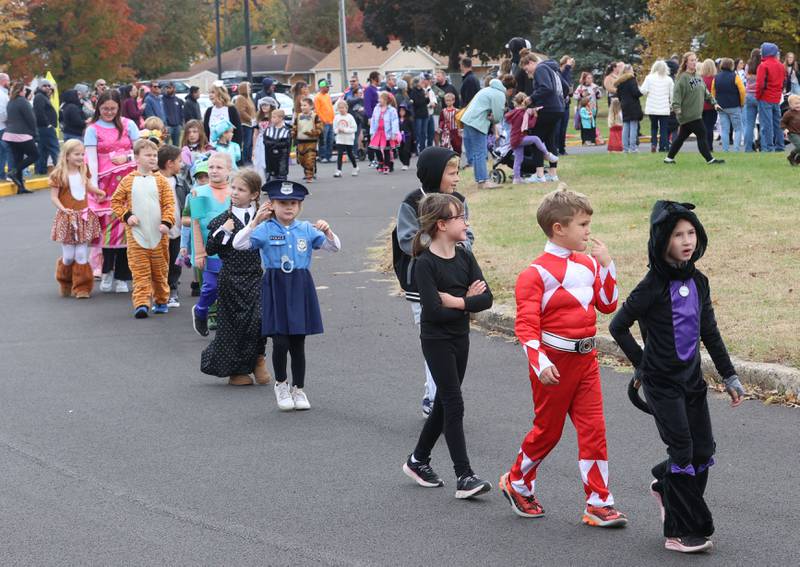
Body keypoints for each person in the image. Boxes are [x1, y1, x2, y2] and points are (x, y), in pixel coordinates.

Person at [609, 200, 745, 554]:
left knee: (703, 450)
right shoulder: (651, 285)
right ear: (661, 241)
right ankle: (678, 531)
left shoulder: (699, 282)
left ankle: (666, 486)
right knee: (683, 450)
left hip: (692, 381)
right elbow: (618, 325)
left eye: (691, 233)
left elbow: (710, 333)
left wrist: (729, 376)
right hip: (661, 384)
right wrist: (642, 364)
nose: (686, 240)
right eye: (677, 235)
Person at [498, 186, 627, 529]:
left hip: (587, 362)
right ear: (559, 228)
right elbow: (526, 328)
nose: (589, 231)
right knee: (548, 432)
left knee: (594, 431)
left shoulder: (588, 263)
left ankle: (599, 502)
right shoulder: (534, 273)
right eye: (582, 224)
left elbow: (608, 304)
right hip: (553, 364)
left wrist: (607, 266)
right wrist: (540, 363)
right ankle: (518, 481)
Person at [400, 192, 493, 499]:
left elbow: (486, 298)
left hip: (459, 336)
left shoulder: (465, 255)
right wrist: (467, 301)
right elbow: (433, 312)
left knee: (443, 402)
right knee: (453, 402)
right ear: (441, 224)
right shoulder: (425, 265)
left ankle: (418, 460)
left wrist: (458, 300)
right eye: (459, 217)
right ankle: (464, 475)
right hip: (436, 339)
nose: (465, 222)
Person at [232, 179, 341, 412]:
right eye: (282, 203)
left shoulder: (306, 229)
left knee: (298, 342)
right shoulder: (265, 229)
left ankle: (298, 388)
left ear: (300, 206)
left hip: (300, 285)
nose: (288, 207)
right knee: (280, 340)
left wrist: (328, 230)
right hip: (275, 285)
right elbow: (238, 244)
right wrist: (254, 222)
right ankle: (281, 384)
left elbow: (334, 247)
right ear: (271, 204)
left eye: (293, 202)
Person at [393, 147, 475, 417]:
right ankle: (434, 397)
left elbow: (467, 236)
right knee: (434, 340)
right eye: (451, 173)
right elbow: (407, 241)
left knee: (453, 340)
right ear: (434, 174)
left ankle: (444, 394)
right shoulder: (412, 201)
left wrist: (460, 246)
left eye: (457, 172)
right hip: (422, 284)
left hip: (454, 281)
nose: (457, 178)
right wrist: (440, 243)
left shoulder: (459, 201)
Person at [200, 169, 271, 387]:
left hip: (255, 276)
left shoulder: (265, 217)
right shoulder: (223, 220)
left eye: (241, 189)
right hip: (230, 278)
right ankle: (237, 370)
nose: (235, 193)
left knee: (259, 320)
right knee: (233, 325)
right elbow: (211, 248)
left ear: (254, 194)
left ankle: (259, 359)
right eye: (234, 188)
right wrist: (225, 230)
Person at [110, 139, 176, 318]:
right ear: (137, 158)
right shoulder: (128, 181)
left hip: (158, 234)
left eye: (155, 155)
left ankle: (162, 299)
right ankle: (141, 303)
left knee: (159, 270)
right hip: (136, 235)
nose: (153, 158)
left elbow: (170, 204)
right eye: (148, 155)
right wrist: (127, 216)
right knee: (140, 272)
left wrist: (167, 222)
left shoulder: (162, 181)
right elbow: (115, 201)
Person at [85, 89, 140, 291]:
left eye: (112, 108)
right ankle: (107, 272)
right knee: (108, 232)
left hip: (129, 184)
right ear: (98, 107)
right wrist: (94, 185)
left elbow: (142, 151)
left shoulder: (129, 125)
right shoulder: (92, 129)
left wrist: (127, 158)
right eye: (104, 108)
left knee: (126, 229)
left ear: (119, 108)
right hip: (105, 187)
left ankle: (123, 276)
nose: (108, 112)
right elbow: (91, 160)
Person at [50, 139, 104, 299]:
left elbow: (86, 185)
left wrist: (98, 191)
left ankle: (82, 287)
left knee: (81, 254)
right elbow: (54, 197)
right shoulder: (58, 174)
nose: (81, 157)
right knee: (68, 256)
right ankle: (65, 281)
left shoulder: (83, 170)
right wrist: (62, 208)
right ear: (66, 156)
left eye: (82, 154)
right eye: (77, 154)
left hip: (83, 217)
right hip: (67, 218)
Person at [189, 152, 233, 336]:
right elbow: (196, 224)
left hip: (232, 250)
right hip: (209, 250)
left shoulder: (235, 192)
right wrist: (199, 253)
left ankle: (227, 325)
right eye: (211, 167)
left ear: (229, 171)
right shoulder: (198, 193)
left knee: (230, 289)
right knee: (211, 287)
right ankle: (200, 310)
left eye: (219, 167)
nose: (214, 171)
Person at [664, 52, 725, 165]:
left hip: (696, 113)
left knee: (681, 137)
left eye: (695, 60)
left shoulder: (698, 76)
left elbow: (706, 92)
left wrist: (714, 103)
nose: (694, 62)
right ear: (686, 63)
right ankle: (710, 159)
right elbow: (676, 94)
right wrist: (677, 108)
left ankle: (669, 158)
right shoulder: (682, 77)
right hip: (688, 114)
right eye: (691, 60)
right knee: (702, 133)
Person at [157, 144, 190, 307]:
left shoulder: (181, 182)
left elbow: (186, 203)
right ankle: (159, 291)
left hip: (177, 229)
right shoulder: (153, 181)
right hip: (159, 230)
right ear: (170, 163)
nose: (182, 164)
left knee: (175, 261)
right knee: (159, 262)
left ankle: (172, 289)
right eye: (179, 161)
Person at [529, 54, 570, 181]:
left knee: (536, 138)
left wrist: (531, 98)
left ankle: (539, 174)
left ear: (531, 62)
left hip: (546, 108)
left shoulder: (540, 69)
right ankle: (553, 174)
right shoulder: (553, 70)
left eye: (526, 69)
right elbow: (566, 87)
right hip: (558, 108)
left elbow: (546, 88)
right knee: (550, 140)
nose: (527, 73)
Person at [460, 79, 506, 189]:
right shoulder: (499, 94)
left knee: (476, 153)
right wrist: (493, 119)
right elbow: (498, 115)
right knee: (481, 152)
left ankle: (480, 180)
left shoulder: (485, 90)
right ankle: (483, 181)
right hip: (477, 123)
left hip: (467, 120)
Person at [504, 92, 558, 184]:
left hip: (514, 139)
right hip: (520, 138)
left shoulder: (515, 113)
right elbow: (530, 125)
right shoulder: (522, 114)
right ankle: (547, 154)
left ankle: (516, 179)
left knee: (518, 159)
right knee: (536, 139)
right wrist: (535, 116)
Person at [3, 80, 39, 193]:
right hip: (22, 134)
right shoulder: (23, 101)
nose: (25, 92)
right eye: (24, 90)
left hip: (9, 135)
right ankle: (13, 172)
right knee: (35, 155)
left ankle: (20, 187)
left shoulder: (11, 101)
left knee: (18, 159)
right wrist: (35, 134)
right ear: (21, 91)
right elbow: (31, 119)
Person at [756, 42, 786, 152]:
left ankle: (768, 147)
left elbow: (760, 84)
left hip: (765, 98)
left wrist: (758, 96)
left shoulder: (763, 66)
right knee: (778, 123)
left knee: (766, 124)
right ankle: (780, 146)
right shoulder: (781, 65)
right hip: (776, 98)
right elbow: (783, 82)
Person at [640, 60, 674, 152]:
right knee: (663, 128)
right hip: (664, 108)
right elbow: (672, 94)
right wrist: (671, 105)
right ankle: (664, 146)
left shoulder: (649, 78)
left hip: (652, 108)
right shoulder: (669, 79)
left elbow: (643, 91)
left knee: (654, 127)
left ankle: (654, 144)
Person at [712, 58, 745, 152]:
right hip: (734, 106)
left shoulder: (716, 77)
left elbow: (713, 91)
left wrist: (715, 103)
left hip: (721, 106)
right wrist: (742, 103)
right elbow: (742, 91)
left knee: (725, 129)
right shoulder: (735, 77)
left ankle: (725, 149)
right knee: (738, 129)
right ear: (732, 66)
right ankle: (736, 149)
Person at [292, 97, 322, 183]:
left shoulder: (315, 116)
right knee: (301, 159)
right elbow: (295, 126)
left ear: (311, 106)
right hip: (300, 141)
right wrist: (293, 133)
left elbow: (319, 128)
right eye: (301, 105)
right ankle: (306, 171)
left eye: (305, 105)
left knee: (310, 159)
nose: (303, 107)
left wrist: (312, 133)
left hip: (311, 141)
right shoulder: (298, 116)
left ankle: (309, 176)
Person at [33, 80, 60, 174]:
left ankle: (40, 170)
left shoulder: (42, 96)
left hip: (43, 128)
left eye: (49, 86)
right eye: (45, 86)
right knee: (54, 148)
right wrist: (47, 124)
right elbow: (39, 112)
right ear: (40, 87)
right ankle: (60, 169)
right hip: (45, 128)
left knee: (43, 150)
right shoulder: (40, 97)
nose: (48, 87)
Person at [615, 65, 643, 153]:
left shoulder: (620, 82)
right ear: (629, 71)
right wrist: (641, 91)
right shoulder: (631, 80)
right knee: (633, 126)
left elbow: (618, 95)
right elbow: (636, 93)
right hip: (633, 105)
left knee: (626, 126)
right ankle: (633, 148)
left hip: (624, 105)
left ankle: (625, 148)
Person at [369, 91, 399, 174]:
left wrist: (394, 133)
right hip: (378, 132)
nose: (379, 100)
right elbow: (373, 120)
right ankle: (381, 162)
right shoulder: (376, 108)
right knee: (377, 149)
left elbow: (394, 122)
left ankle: (387, 166)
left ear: (386, 100)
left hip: (387, 133)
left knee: (386, 150)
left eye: (380, 98)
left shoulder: (392, 110)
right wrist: (372, 133)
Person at [263, 109, 292, 182]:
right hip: (270, 155)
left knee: (281, 170)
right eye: (272, 117)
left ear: (281, 118)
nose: (272, 119)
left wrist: (276, 144)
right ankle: (269, 186)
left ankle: (281, 185)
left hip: (282, 155)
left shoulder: (286, 130)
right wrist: (273, 144)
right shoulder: (268, 130)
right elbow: (265, 141)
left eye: (274, 117)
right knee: (270, 170)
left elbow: (287, 143)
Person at [333, 99, 358, 178]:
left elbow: (354, 128)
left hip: (348, 139)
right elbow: (334, 128)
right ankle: (339, 170)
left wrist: (345, 130)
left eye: (343, 108)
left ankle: (355, 167)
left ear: (346, 108)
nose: (341, 109)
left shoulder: (350, 117)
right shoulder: (336, 117)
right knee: (340, 154)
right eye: (340, 108)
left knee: (350, 154)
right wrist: (338, 131)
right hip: (340, 139)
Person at [743, 48, 761, 152]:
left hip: (749, 94)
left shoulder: (748, 66)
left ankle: (748, 148)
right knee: (762, 123)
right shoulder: (761, 66)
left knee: (749, 124)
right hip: (759, 95)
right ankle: (762, 145)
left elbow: (747, 78)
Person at [233, 82, 256, 166]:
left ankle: (249, 159)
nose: (250, 89)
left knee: (250, 144)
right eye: (248, 87)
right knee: (246, 144)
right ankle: (245, 160)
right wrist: (250, 119)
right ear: (243, 88)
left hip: (251, 124)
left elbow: (253, 110)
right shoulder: (240, 98)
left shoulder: (248, 98)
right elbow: (241, 111)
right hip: (244, 124)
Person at [556, 56, 574, 155]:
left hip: (566, 103)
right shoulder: (559, 72)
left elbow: (569, 87)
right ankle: (556, 148)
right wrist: (567, 66)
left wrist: (571, 91)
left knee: (563, 128)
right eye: (567, 66)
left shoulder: (568, 73)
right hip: (559, 104)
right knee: (557, 128)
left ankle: (562, 148)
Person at [699, 59, 718, 151]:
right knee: (709, 127)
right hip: (711, 106)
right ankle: (709, 147)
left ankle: (703, 147)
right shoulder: (716, 79)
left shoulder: (698, 78)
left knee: (702, 127)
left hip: (700, 106)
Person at [314, 79, 335, 163]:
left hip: (330, 121)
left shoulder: (327, 96)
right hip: (323, 122)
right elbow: (317, 110)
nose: (328, 88)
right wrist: (323, 120)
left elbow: (330, 108)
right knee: (323, 140)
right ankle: (322, 156)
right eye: (327, 87)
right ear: (322, 87)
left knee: (330, 139)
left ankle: (328, 156)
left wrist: (332, 119)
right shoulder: (317, 97)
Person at [410, 77, 431, 154]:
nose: (422, 82)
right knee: (417, 133)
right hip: (418, 115)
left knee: (424, 133)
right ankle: (416, 149)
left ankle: (423, 149)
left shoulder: (422, 90)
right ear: (416, 83)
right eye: (420, 81)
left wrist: (427, 97)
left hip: (425, 114)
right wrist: (424, 97)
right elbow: (416, 103)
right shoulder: (413, 92)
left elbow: (426, 102)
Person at [364, 72, 381, 165]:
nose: (381, 80)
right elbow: (367, 104)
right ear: (374, 79)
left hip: (379, 117)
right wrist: (370, 117)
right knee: (373, 138)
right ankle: (371, 159)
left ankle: (378, 159)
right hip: (372, 118)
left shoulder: (376, 89)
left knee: (378, 138)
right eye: (379, 78)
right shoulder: (369, 90)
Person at [162, 82, 185, 147]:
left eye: (169, 88)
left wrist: (180, 124)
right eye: (166, 88)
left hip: (177, 126)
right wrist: (165, 124)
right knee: (165, 145)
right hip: (167, 127)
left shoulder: (178, 100)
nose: (167, 90)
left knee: (176, 146)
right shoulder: (162, 100)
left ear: (174, 89)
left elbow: (181, 112)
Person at [780, 94, 800, 165]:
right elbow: (782, 122)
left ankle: (797, 160)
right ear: (790, 105)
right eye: (796, 104)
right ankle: (792, 155)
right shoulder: (788, 113)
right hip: (792, 133)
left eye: (799, 103)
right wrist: (785, 129)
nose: (798, 105)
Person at [397, 103, 414, 170]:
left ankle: (406, 164)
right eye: (400, 111)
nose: (401, 112)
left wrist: (414, 138)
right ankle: (403, 161)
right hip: (399, 137)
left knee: (406, 150)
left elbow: (412, 129)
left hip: (407, 136)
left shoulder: (409, 119)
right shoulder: (397, 120)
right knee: (400, 151)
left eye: (403, 110)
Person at [0, 73, 11, 181]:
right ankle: (2, 174)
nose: (9, 83)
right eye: (8, 80)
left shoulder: (3, 94)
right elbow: (2, 113)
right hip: (2, 127)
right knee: (6, 151)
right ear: (3, 81)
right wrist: (9, 121)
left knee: (2, 152)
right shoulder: (2, 95)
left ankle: (1, 174)